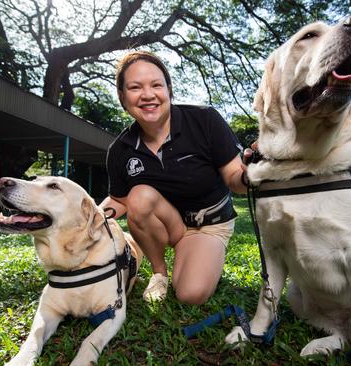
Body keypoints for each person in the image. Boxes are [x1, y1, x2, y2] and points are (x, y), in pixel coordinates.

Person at [100, 51, 248, 305]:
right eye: (135, 88)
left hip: (210, 223)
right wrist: (88, 216)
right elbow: (120, 200)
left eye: (156, 85)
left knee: (190, 294)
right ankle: (159, 272)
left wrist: (252, 175)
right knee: (139, 196)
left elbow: (235, 178)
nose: (148, 95)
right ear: (123, 98)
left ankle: (197, 255)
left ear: (169, 90)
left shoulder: (205, 120)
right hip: (172, 223)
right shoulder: (120, 150)